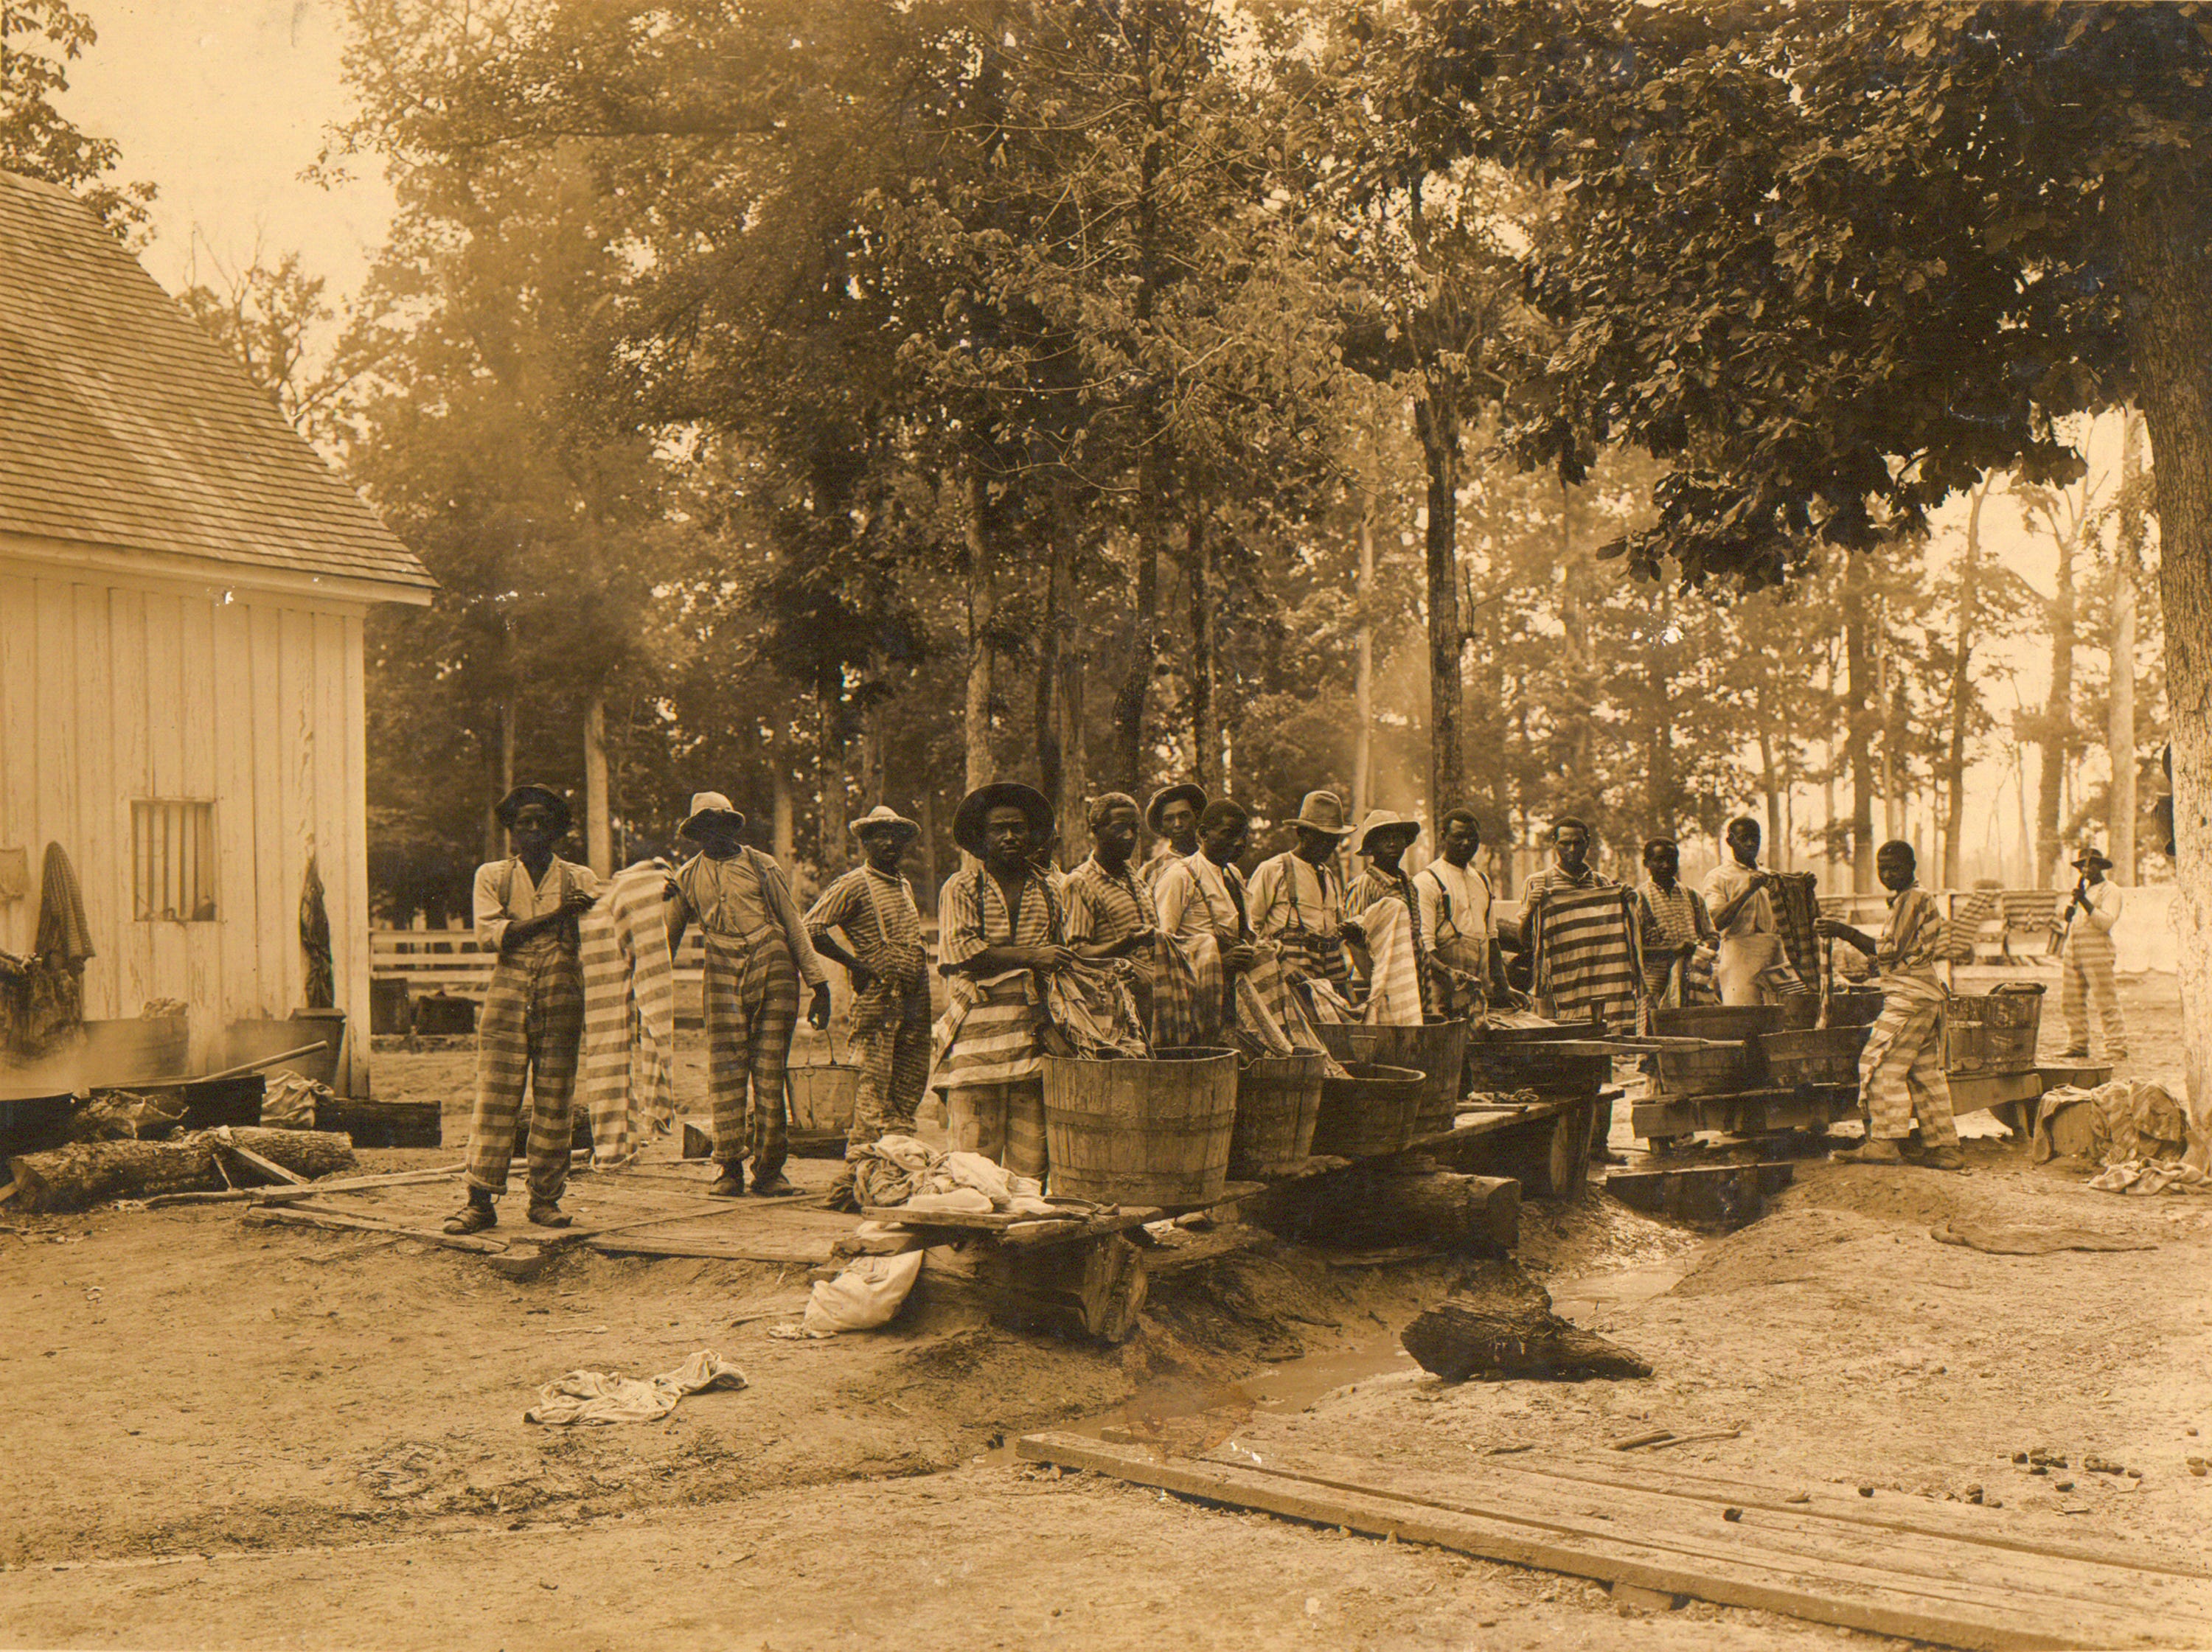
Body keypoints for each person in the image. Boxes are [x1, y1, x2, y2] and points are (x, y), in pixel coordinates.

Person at [447, 785, 602, 1235]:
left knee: (555, 1096)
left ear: (558, 830)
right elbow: (491, 936)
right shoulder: (493, 876)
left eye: (542, 822)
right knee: (496, 1094)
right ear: (511, 831)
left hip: (562, 986)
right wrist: (558, 915)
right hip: (509, 985)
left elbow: (608, 925)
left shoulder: (580, 878)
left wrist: (652, 895)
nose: (533, 830)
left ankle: (545, 1199)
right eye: (523, 823)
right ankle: (479, 1201)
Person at [670, 792, 833, 1199]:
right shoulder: (686, 877)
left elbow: (793, 922)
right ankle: (728, 1167)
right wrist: (646, 991)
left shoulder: (761, 864)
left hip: (772, 958)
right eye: (706, 828)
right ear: (697, 833)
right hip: (721, 965)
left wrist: (819, 984)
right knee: (725, 1069)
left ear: (732, 827)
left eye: (722, 825)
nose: (715, 835)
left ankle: (770, 1169)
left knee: (769, 1069)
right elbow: (666, 938)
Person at [933, 783, 1075, 1179]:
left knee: (1031, 1163)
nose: (1010, 837)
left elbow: (1060, 952)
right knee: (972, 1160)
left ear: (1032, 834)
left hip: (1033, 1033)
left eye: (1018, 828)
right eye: (999, 829)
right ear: (981, 838)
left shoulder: (1050, 888)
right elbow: (963, 952)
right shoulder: (962, 887)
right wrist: (1033, 956)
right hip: (977, 1035)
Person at [1816, 840, 1964, 1171]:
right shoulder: (1909, 899)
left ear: (1912, 867)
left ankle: (1884, 1143)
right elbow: (1900, 952)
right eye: (1882, 868)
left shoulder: (1912, 899)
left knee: (1879, 1065)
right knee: (1924, 1074)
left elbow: (1889, 950)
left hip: (1909, 997)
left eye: (1895, 868)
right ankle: (1945, 1147)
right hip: (1923, 995)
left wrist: (1844, 931)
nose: (1887, 874)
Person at [805, 806, 933, 1163]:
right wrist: (855, 965)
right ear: (865, 843)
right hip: (879, 991)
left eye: (896, 837)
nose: (889, 843)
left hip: (914, 989)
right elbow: (812, 926)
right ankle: (862, 1157)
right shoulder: (855, 883)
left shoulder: (902, 884)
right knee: (871, 1074)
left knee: (911, 1072)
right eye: (879, 836)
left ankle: (899, 1153)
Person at [1154, 801, 1262, 1028]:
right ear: (1203, 833)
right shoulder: (1180, 876)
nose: (1239, 843)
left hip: (1235, 990)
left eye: (1243, 835)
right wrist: (1219, 961)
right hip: (1198, 993)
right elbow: (1162, 948)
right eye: (1229, 834)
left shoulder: (1233, 874)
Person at [1246, 790, 1363, 994]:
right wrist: (1269, 953)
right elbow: (1251, 926)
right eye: (1321, 838)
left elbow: (1330, 926)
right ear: (1301, 833)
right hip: (1289, 973)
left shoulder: (1328, 876)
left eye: (1333, 840)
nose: (1327, 846)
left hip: (1326, 970)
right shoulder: (1275, 869)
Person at [1414, 808, 1511, 1014]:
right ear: (1443, 837)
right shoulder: (1427, 881)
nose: (1466, 843)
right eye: (1458, 837)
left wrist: (1504, 987)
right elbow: (1424, 947)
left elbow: (1492, 939)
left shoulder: (1482, 881)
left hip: (1477, 994)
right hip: (1440, 994)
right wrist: (1452, 981)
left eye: (1472, 838)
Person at [1346, 809, 1433, 1018]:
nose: (1392, 843)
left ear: (1405, 842)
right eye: (1384, 839)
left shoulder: (1409, 884)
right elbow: (1355, 941)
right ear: (1372, 846)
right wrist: (1378, 985)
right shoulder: (1364, 884)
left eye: (1397, 837)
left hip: (1411, 979)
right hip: (1378, 982)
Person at [1701, 816, 1785, 1006]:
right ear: (1730, 841)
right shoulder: (1718, 877)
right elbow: (1715, 921)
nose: (1750, 844)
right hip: (1739, 957)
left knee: (1778, 1013)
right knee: (1743, 1012)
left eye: (1755, 838)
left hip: (1774, 955)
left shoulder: (1771, 876)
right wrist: (1748, 891)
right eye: (1743, 838)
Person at [2057, 844, 2128, 1062]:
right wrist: (2071, 911)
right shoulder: (2084, 890)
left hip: (2097, 951)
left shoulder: (2111, 890)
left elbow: (2105, 922)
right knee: (2071, 1000)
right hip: (2074, 949)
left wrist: (2084, 902)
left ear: (2100, 867)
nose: (2086, 870)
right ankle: (2077, 1044)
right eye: (2083, 867)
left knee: (2105, 1000)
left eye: (2091, 865)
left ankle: (2116, 1047)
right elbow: (2077, 921)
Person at [1635, 837, 1716, 1008]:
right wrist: (1673, 951)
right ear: (1646, 863)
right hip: (1655, 986)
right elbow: (1635, 949)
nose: (1666, 865)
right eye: (1659, 860)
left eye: (1671, 860)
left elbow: (1712, 936)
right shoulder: (1638, 899)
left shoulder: (1693, 896)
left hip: (1693, 983)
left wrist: (1702, 949)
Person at [1138, 782, 1208, 894]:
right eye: (1169, 819)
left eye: (1184, 816)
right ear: (1161, 826)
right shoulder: (1151, 871)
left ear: (1197, 818)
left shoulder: (1213, 862)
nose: (1177, 824)